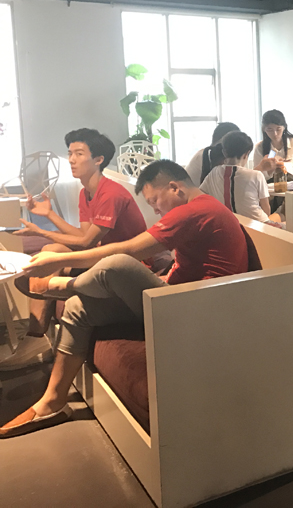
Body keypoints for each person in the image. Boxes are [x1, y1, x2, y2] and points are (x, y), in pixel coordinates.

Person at [0, 160, 249, 438]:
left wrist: (58, 261)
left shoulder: (195, 210)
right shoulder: (202, 209)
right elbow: (185, 267)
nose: (156, 210)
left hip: (198, 311)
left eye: (155, 201)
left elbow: (130, 249)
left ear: (175, 188)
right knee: (77, 307)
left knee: (118, 263)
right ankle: (52, 403)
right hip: (178, 299)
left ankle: (58, 285)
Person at [2, 128, 148, 371]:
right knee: (52, 249)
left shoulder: (110, 193)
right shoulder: (86, 193)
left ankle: (37, 335)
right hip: (103, 255)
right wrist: (49, 215)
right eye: (70, 153)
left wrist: (40, 231)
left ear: (98, 159)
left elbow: (86, 243)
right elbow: (82, 236)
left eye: (79, 154)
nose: (71, 159)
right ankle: (37, 335)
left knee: (51, 254)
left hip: (128, 266)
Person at [200, 131, 281, 225]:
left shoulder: (214, 172)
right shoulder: (257, 175)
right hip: (257, 226)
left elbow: (201, 195)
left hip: (227, 225)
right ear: (247, 153)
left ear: (224, 152)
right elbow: (266, 211)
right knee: (282, 212)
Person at [252, 109, 293, 180]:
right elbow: (256, 176)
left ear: (284, 127)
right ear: (264, 129)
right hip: (270, 184)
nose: (275, 134)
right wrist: (269, 169)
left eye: (278, 129)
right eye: (270, 130)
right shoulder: (259, 148)